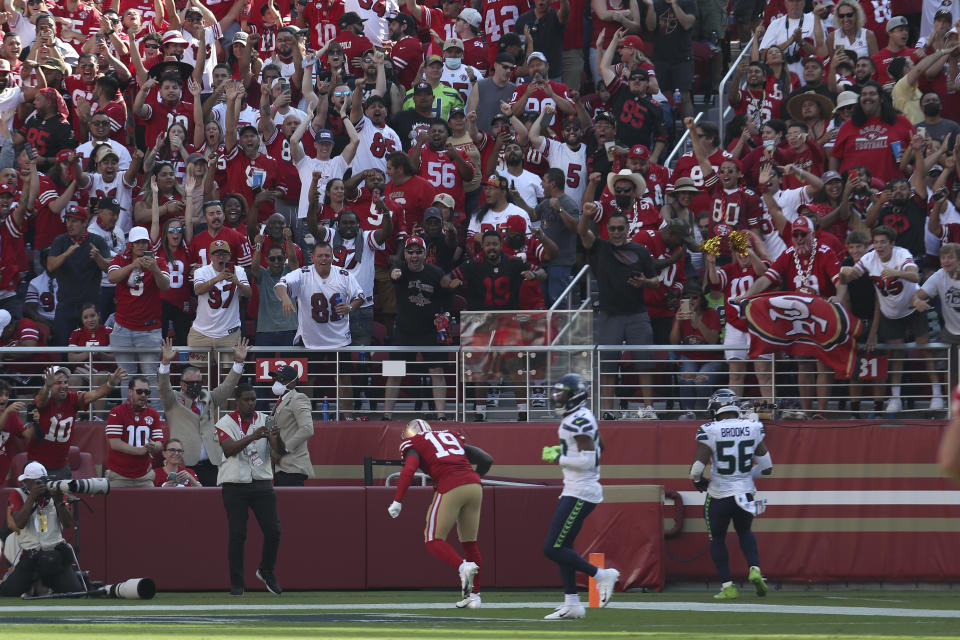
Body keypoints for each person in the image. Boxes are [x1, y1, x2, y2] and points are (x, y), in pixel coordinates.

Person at [387, 419, 493, 609]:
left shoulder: (416, 443)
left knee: (433, 539)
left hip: (450, 486)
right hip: (475, 486)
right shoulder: (449, 435)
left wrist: (397, 500)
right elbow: (486, 459)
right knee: (470, 543)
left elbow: (410, 468)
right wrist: (473, 478)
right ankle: (475, 596)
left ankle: (463, 567)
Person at [540, 373, 620, 618]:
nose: (557, 396)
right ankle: (572, 603)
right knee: (564, 546)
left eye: (561, 392)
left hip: (581, 490)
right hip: (576, 487)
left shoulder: (576, 420)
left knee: (552, 548)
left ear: (575, 394)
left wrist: (559, 457)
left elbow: (589, 460)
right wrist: (567, 450)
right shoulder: (581, 416)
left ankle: (601, 575)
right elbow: (601, 447)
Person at [840, 225, 942, 414]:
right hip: (891, 312)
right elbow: (853, 274)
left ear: (892, 244)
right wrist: (845, 272)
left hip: (912, 307)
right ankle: (895, 397)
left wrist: (896, 273)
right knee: (896, 354)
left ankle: (937, 394)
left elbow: (913, 274)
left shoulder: (902, 254)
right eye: (876, 242)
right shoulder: (869, 258)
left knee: (926, 349)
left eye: (883, 242)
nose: (879, 246)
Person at [689, 388, 773, 600]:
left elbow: (696, 471)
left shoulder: (710, 429)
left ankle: (728, 586)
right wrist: (746, 476)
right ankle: (755, 569)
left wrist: (699, 481)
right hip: (745, 493)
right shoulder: (752, 427)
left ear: (716, 408)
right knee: (745, 532)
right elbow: (767, 468)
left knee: (717, 538)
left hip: (719, 493)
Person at [577, 210, 658, 419]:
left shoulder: (640, 250)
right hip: (609, 315)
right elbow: (582, 232)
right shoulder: (599, 247)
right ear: (607, 229)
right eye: (612, 228)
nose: (616, 232)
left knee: (644, 363)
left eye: (620, 228)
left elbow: (656, 281)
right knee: (607, 365)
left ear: (628, 229)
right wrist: (585, 215)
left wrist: (644, 282)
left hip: (637, 314)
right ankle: (608, 411)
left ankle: (649, 409)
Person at [215, 383, 284, 596]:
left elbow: (279, 451)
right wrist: (253, 436)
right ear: (237, 401)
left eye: (254, 399)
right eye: (247, 400)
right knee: (238, 534)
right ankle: (237, 582)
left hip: (262, 482)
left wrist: (276, 436)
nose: (251, 403)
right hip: (234, 483)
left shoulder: (266, 419)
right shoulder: (224, 423)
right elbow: (229, 450)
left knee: (274, 531)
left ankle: (266, 570)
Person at [158, 337, 249, 487]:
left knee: (215, 503)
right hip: (185, 463)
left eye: (198, 383)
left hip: (212, 462)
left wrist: (238, 363)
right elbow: (163, 388)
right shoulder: (172, 400)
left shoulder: (208, 397)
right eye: (190, 383)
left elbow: (227, 387)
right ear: (181, 384)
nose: (195, 386)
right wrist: (165, 363)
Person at [384, 236, 453, 421]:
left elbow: (448, 299)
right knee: (393, 372)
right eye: (410, 252)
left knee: (437, 372)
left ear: (425, 254)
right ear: (405, 254)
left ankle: (441, 415)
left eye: (418, 252)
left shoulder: (436, 273)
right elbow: (394, 274)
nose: (414, 256)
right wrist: (394, 274)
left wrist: (445, 316)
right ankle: (386, 414)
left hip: (430, 331)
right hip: (404, 331)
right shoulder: (400, 269)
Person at [0, 462, 83, 597]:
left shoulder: (56, 492)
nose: (26, 484)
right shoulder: (18, 494)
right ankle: (35, 583)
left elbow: (67, 523)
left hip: (54, 554)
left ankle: (46, 585)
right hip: (30, 555)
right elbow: (19, 523)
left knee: (74, 592)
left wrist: (58, 500)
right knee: (9, 593)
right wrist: (32, 497)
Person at [30, 366, 125, 479]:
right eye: (58, 383)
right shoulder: (44, 399)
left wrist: (110, 384)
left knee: (62, 496)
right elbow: (40, 402)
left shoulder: (72, 398)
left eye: (65, 382)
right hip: (38, 464)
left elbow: (94, 395)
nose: (64, 386)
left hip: (61, 465)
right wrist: (47, 386)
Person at [189, 239, 252, 357]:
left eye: (224, 254)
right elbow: (198, 290)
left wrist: (237, 282)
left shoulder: (239, 271)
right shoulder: (202, 271)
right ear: (210, 257)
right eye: (217, 254)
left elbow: (248, 293)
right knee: (199, 372)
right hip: (202, 332)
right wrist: (217, 279)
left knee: (226, 372)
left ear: (229, 256)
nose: (220, 258)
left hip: (229, 332)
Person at [104, 375, 164, 487]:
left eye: (147, 392)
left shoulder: (153, 414)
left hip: (144, 476)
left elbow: (159, 442)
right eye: (139, 391)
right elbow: (115, 443)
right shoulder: (117, 412)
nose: (143, 395)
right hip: (119, 475)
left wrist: (154, 446)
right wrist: (140, 451)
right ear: (130, 391)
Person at [268, 366, 314, 487]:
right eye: (275, 379)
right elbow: (270, 429)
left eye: (281, 379)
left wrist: (283, 450)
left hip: (293, 468)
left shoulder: (299, 398)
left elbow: (307, 429)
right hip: (280, 469)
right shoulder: (280, 401)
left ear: (293, 382)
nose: (277, 382)